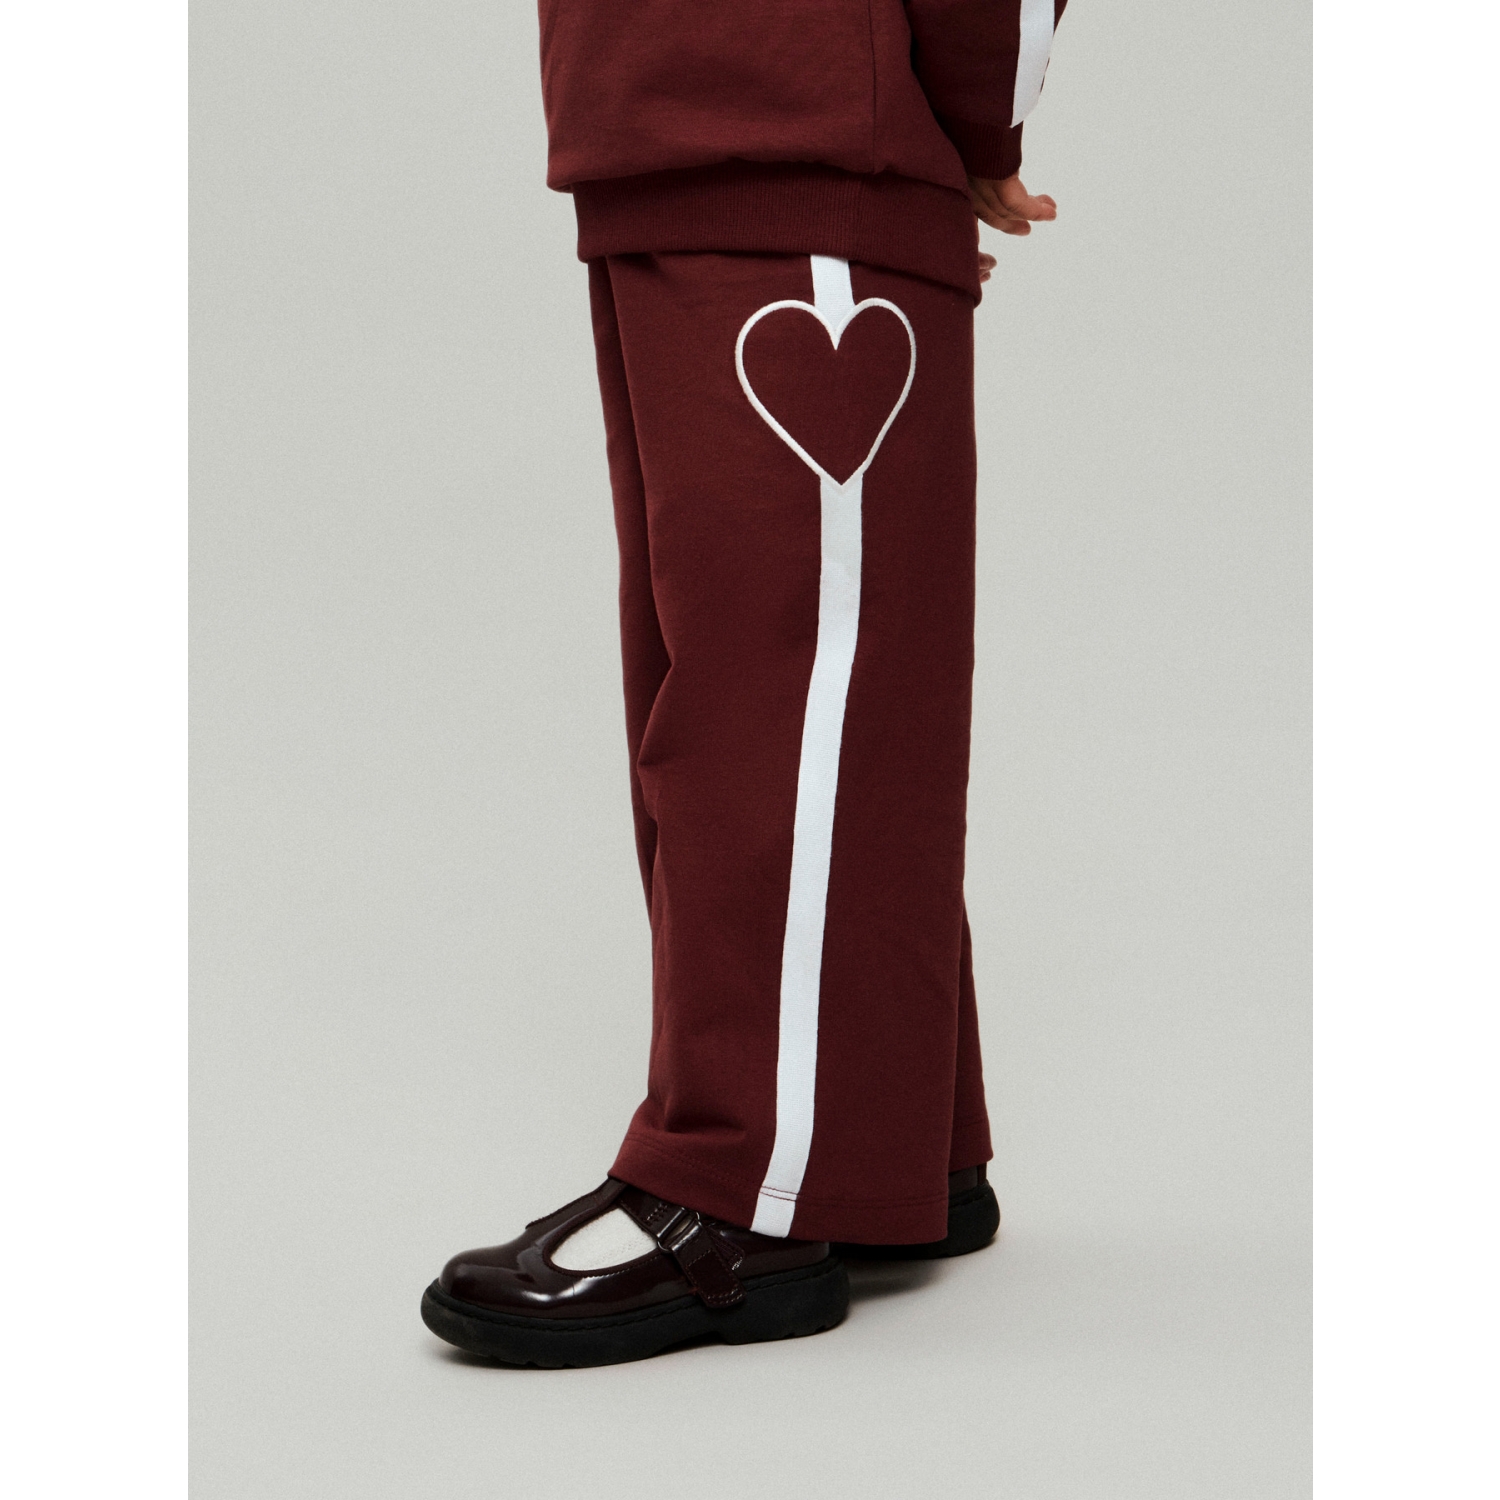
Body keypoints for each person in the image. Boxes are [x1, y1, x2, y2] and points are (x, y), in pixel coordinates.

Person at [421, 0, 1067, 1368]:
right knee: (744, 678)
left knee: (781, 696)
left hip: (796, 131)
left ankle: (752, 1190)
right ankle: (892, 1153)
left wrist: (969, 125)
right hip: (666, 135)